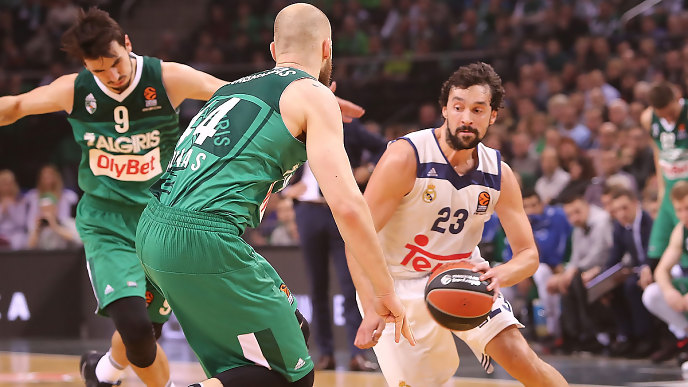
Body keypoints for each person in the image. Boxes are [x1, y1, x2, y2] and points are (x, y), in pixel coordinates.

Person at [0, 7, 367, 387]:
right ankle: (108, 371)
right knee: (137, 332)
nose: (111, 76)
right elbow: (13, 106)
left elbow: (242, 97)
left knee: (158, 336)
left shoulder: (167, 77)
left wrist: (312, 102)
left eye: (115, 63)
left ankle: (104, 371)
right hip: (111, 222)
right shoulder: (75, 90)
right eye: (98, 70)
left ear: (128, 45)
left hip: (160, 212)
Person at [135, 4, 413, 387]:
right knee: (292, 377)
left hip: (152, 226)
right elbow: (348, 207)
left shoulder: (232, 89)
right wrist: (385, 292)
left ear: (272, 51)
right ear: (327, 49)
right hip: (203, 237)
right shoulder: (314, 96)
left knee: (290, 334)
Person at [347, 62, 567, 387]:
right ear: (445, 110)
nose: (466, 118)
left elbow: (528, 255)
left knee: (525, 361)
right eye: (458, 107)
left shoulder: (499, 173)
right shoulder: (406, 158)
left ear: (492, 115)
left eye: (477, 110)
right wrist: (371, 307)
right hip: (397, 285)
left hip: (463, 275)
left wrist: (501, 273)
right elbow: (357, 240)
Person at [548, 194, 612, 353]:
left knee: (576, 280)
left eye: (577, 212)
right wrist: (568, 272)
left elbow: (598, 255)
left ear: (587, 206)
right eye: (570, 215)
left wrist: (572, 271)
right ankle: (573, 335)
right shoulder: (578, 227)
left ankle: (592, 334)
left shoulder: (601, 221)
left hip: (605, 268)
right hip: (587, 270)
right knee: (567, 282)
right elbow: (575, 257)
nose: (574, 218)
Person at [504, 188, 571, 340]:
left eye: (534, 205)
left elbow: (554, 253)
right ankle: (507, 332)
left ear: (542, 205)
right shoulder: (516, 223)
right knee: (501, 284)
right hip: (525, 271)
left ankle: (554, 331)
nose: (531, 210)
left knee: (542, 272)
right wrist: (520, 273)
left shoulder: (556, 218)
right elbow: (510, 255)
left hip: (551, 268)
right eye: (526, 207)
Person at [642, 181, 688, 368]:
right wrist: (669, 291)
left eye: (687, 208)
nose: (684, 215)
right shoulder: (680, 230)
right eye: (679, 210)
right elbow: (661, 269)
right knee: (652, 293)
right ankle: (685, 336)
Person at [605, 186, 655, 358]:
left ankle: (645, 338)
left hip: (654, 268)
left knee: (631, 286)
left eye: (624, 208)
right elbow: (614, 257)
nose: (621, 214)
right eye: (617, 210)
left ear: (635, 203)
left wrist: (646, 268)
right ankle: (626, 336)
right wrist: (603, 280)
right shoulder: (620, 227)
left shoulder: (648, 221)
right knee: (611, 289)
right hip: (638, 270)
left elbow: (654, 252)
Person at [642, 82, 688, 265]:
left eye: (672, 114)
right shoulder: (647, 118)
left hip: (686, 190)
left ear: (677, 99)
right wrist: (661, 188)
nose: (669, 119)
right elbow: (657, 152)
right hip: (669, 188)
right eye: (664, 116)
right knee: (655, 254)